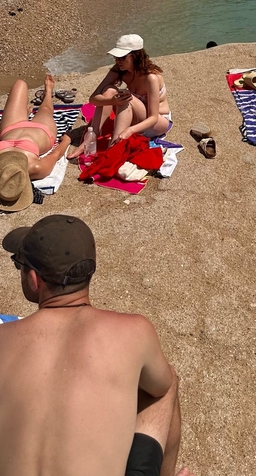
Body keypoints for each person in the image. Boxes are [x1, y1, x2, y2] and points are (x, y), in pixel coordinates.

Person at [0, 214, 192, 476]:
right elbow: (160, 385)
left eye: (18, 265)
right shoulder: (134, 331)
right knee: (166, 383)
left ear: (34, 279)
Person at [69, 35, 171, 161]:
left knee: (127, 98)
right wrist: (111, 101)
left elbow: (153, 117)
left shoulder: (151, 78)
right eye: (116, 57)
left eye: (122, 57)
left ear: (135, 56)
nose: (118, 61)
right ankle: (90, 139)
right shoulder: (120, 70)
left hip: (156, 123)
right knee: (110, 90)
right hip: (136, 115)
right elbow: (93, 99)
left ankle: (114, 146)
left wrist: (129, 130)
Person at [0, 75, 72, 209]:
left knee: (19, 83)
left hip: (11, 128)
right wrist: (66, 141)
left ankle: (25, 114)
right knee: (45, 110)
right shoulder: (36, 168)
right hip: (41, 131)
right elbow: (55, 155)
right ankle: (48, 91)